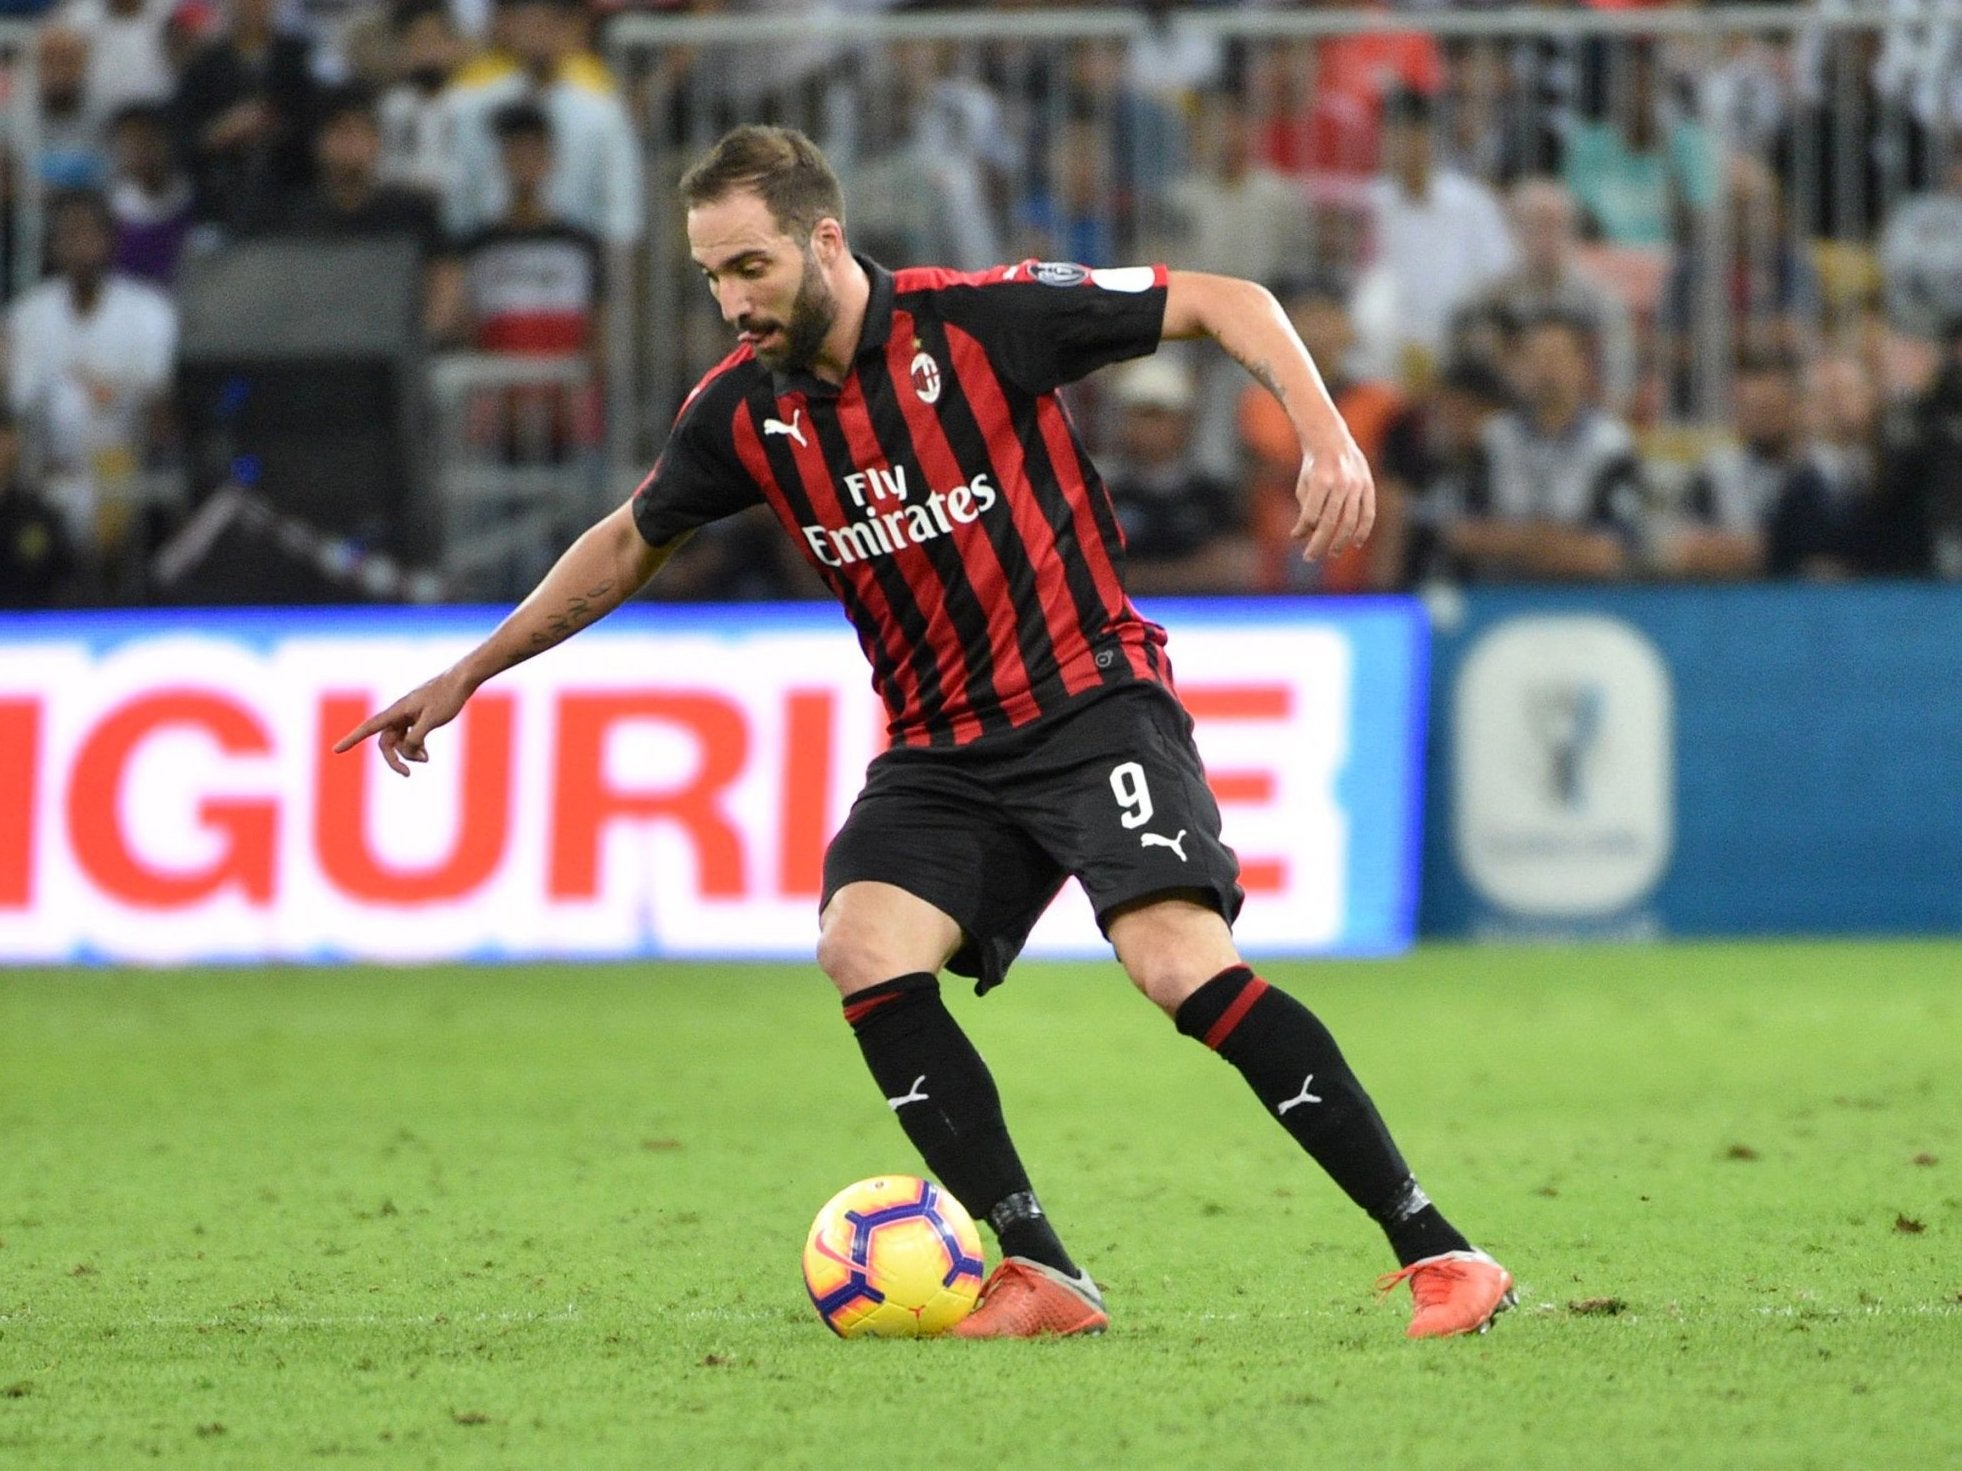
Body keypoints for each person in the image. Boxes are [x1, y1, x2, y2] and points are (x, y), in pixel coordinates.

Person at [336, 124, 1516, 1341]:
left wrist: (1325, 432)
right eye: (711, 277)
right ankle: (1044, 1269)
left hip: (1090, 700)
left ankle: (1441, 1250)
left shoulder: (984, 321)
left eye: (751, 267)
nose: (732, 300)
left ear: (824, 240)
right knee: (862, 945)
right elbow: (633, 537)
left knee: (1176, 964)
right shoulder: (744, 415)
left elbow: (1227, 299)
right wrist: (474, 668)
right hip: (939, 752)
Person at [1439, 310, 1645, 582]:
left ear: (1581, 366)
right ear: (1519, 366)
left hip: (1587, 600)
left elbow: (1612, 551)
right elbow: (1461, 534)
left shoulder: (1611, 446)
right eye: (1537, 357)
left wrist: (1516, 542)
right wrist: (1545, 542)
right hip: (1500, 597)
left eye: (1557, 358)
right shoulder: (1492, 440)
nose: (1548, 370)